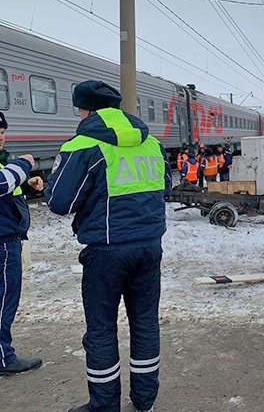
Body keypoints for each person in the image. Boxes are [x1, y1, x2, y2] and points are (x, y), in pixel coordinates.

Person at [45, 81, 172, 412]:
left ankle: (103, 406)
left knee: (101, 330)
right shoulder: (151, 144)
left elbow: (61, 201)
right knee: (145, 323)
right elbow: (165, 188)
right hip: (149, 248)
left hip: (105, 252)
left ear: (84, 110)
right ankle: (144, 400)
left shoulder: (84, 145)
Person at [0, 111, 44, 377]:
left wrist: (25, 185)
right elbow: (3, 183)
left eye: (3, 132)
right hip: (3, 243)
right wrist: (24, 164)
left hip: (7, 238)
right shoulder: (8, 166)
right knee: (4, 299)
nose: (1, 138)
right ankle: (4, 358)